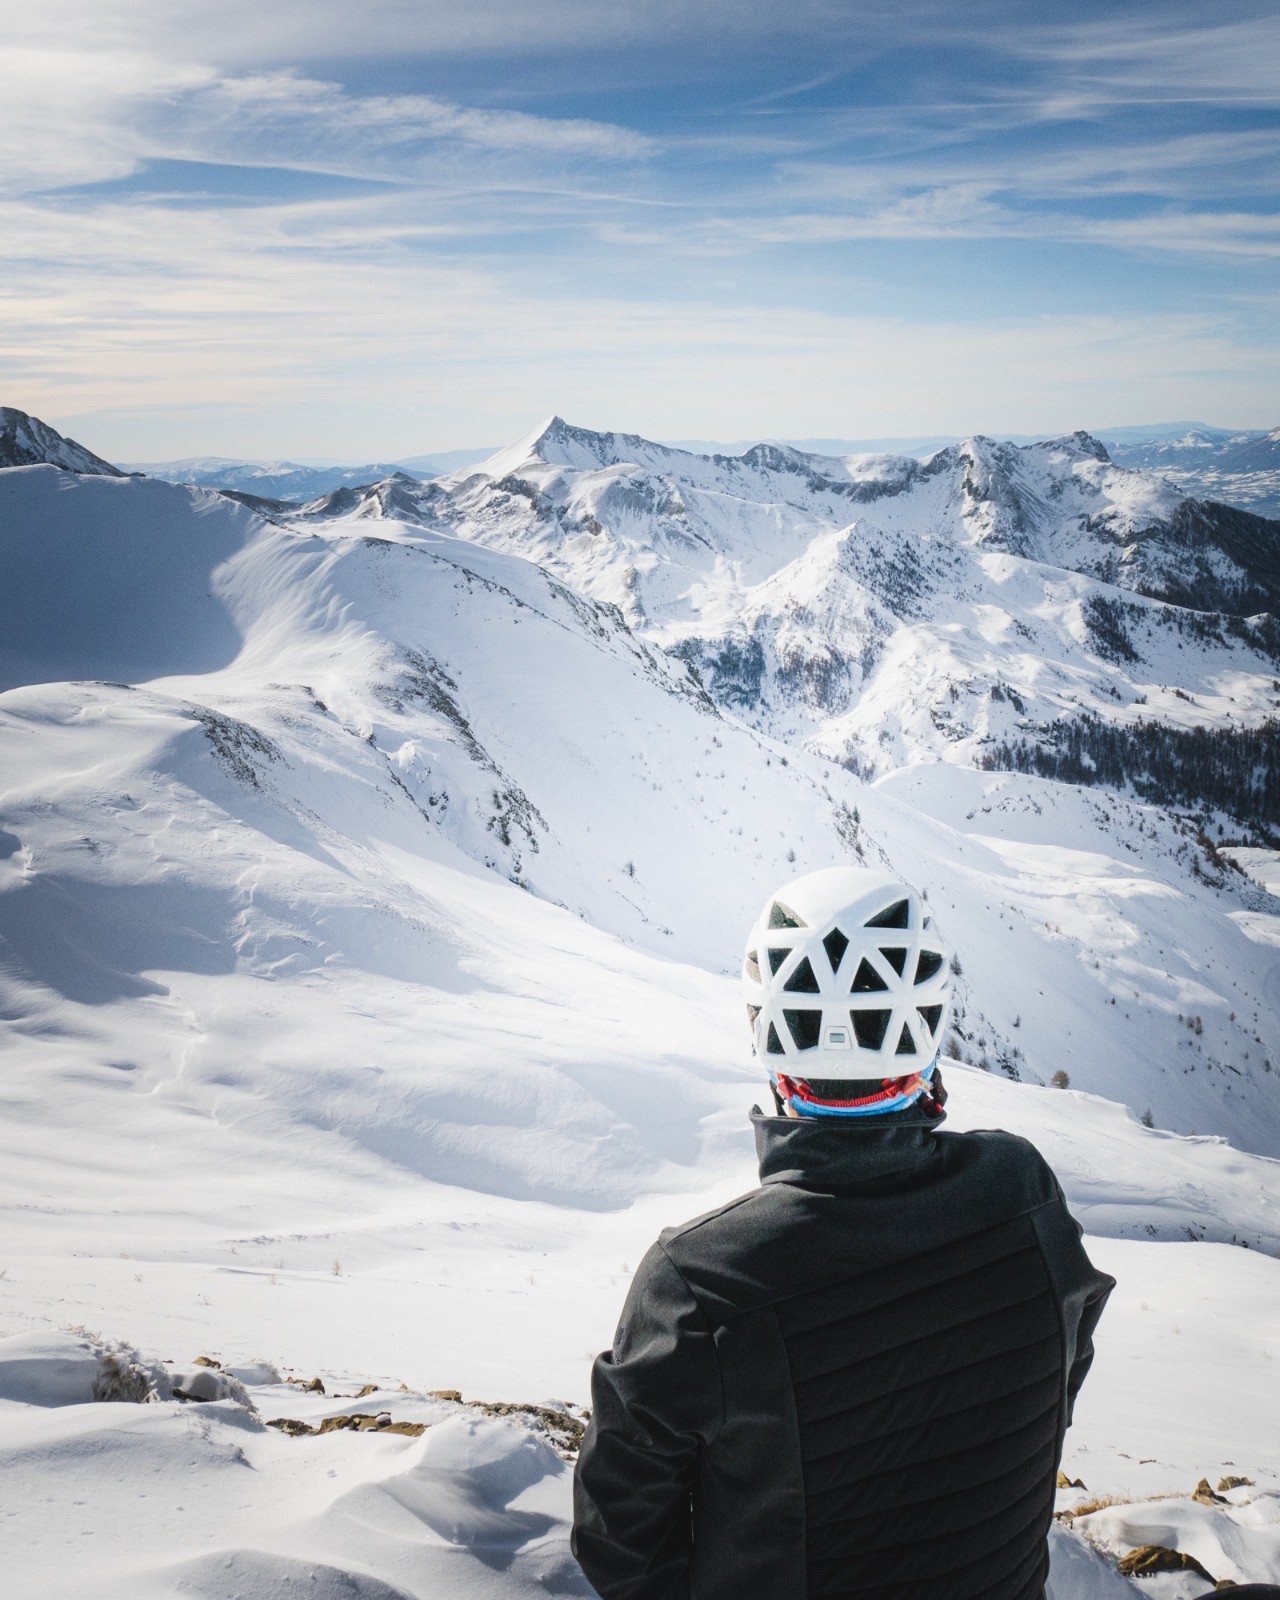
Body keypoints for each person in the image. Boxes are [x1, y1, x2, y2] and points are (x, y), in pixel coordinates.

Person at [573, 866, 1114, 1600]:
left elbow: (621, 1538)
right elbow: (1060, 1376)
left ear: (770, 1042)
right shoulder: (1022, 1194)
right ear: (928, 1034)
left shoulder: (701, 1281)